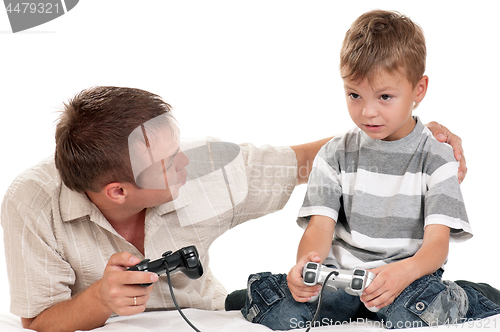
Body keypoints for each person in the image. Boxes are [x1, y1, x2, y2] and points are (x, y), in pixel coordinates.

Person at [1, 85, 465, 332]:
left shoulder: (206, 165)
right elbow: (39, 320)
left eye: (177, 147)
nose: (186, 163)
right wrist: (99, 301)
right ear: (118, 191)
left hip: (209, 308)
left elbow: (310, 160)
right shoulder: (32, 206)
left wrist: (410, 137)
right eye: (167, 164)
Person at [241, 10, 500, 330]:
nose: (367, 111)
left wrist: (403, 272)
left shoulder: (436, 156)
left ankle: (471, 295)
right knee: (281, 313)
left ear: (419, 90)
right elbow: (320, 228)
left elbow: (436, 244)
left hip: (406, 280)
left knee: (413, 315)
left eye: (385, 96)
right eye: (354, 95)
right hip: (341, 281)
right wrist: (306, 265)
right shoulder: (335, 153)